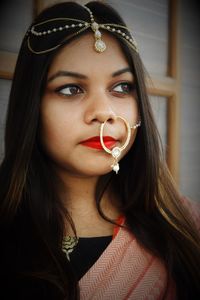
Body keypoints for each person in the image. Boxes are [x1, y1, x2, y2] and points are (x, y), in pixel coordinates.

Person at [0, 1, 200, 299]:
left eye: (121, 87)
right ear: (31, 107)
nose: (104, 113)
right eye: (70, 89)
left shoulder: (184, 226)